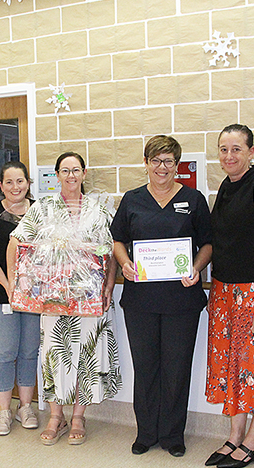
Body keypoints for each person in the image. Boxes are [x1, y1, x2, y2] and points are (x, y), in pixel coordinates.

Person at [8, 152, 120, 446]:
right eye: (65, 170)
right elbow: (17, 242)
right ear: (56, 175)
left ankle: (79, 416)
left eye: (76, 170)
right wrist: (14, 284)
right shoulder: (42, 209)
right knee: (54, 355)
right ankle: (56, 416)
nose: (71, 176)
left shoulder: (100, 210)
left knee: (86, 355)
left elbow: (112, 253)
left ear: (84, 173)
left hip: (89, 300)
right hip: (51, 299)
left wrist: (108, 287)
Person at [110, 135, 212, 458]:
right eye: (155, 160)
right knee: (146, 366)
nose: (162, 167)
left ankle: (172, 435)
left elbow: (208, 245)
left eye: (168, 161)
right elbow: (118, 241)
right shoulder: (132, 200)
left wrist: (196, 267)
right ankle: (146, 432)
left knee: (177, 367)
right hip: (140, 300)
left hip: (182, 301)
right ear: (146, 164)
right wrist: (125, 264)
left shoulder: (194, 200)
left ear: (177, 165)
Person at [205, 125, 254, 468]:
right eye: (223, 150)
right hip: (224, 292)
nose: (229, 156)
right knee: (231, 368)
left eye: (236, 149)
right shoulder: (225, 186)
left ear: (251, 151)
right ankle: (235, 436)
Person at [0, 161, 40, 436]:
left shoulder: (40, 213)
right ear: (1, 186)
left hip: (34, 298)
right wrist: (9, 285)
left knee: (28, 352)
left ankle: (25, 407)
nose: (16, 187)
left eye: (20, 181)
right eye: (9, 182)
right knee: (4, 354)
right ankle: (3, 411)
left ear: (28, 183)